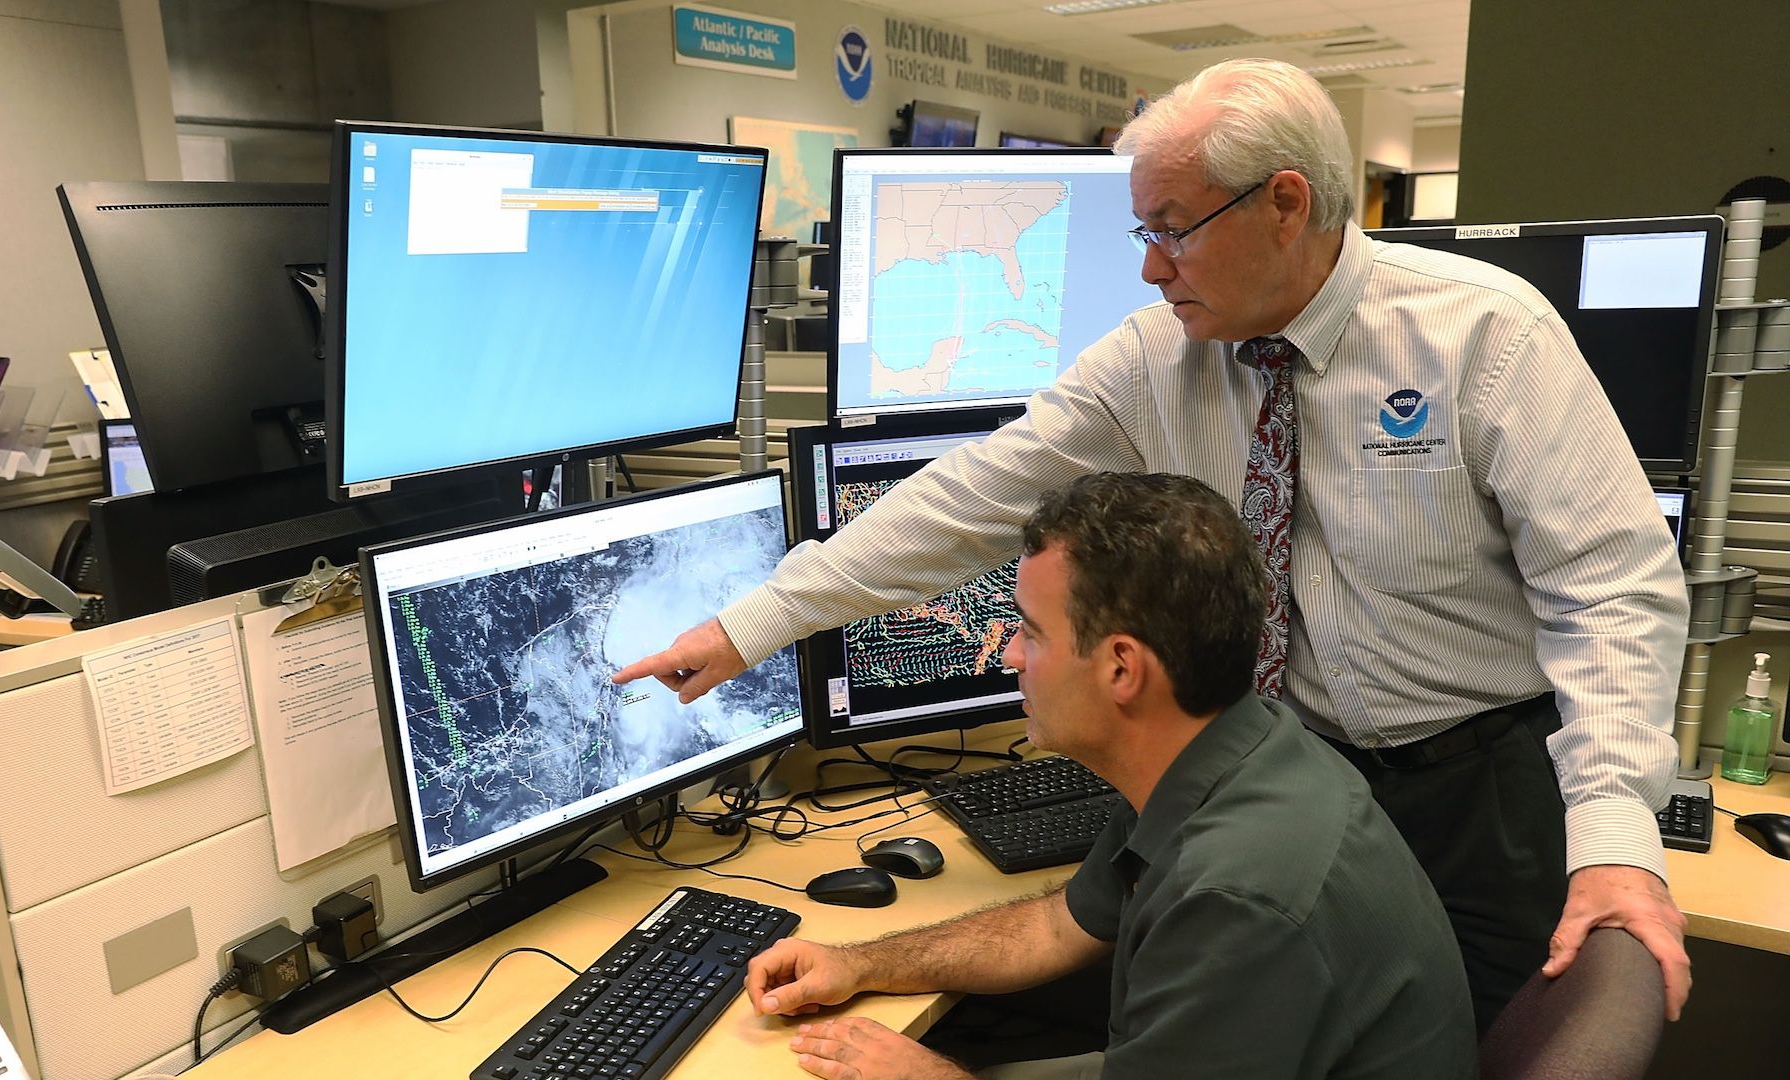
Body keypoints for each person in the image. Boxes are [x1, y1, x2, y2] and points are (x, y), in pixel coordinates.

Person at [617, 58, 1691, 1033]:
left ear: (1284, 204)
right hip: (1286, 768)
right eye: (1143, 234)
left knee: (1468, 1050)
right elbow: (971, 496)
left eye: (1171, 228)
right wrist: (752, 623)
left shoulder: (1484, 336)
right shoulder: (1156, 358)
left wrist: (1612, 839)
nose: (1150, 270)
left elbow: (1611, 591)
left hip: (1478, 788)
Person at [744, 472, 1475, 1080]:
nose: (1010, 659)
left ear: (1122, 667)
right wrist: (858, 963)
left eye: (1030, 633)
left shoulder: (1239, 890)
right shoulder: (1230, 752)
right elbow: (1056, 926)